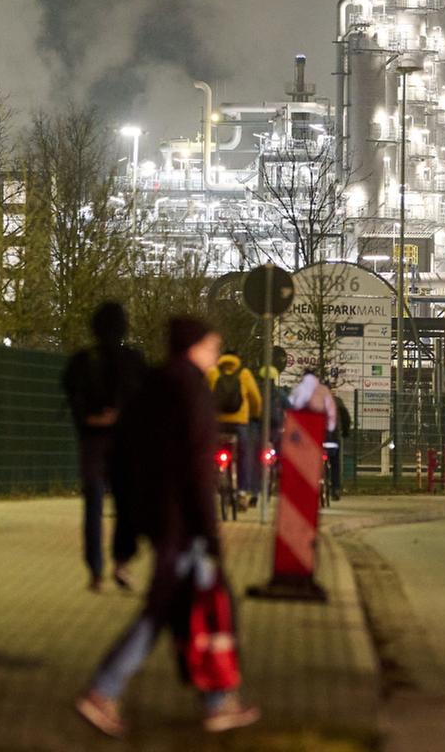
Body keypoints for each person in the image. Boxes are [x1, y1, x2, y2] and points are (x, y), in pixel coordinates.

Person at [76, 317, 259, 737]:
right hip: (183, 524)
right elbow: (196, 469)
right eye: (211, 345)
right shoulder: (191, 390)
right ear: (193, 346)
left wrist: (133, 517)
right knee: (183, 608)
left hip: (160, 516)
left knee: (183, 609)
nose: (216, 353)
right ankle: (104, 691)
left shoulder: (155, 385)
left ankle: (217, 700)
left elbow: (126, 452)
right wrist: (209, 532)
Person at [63, 301, 147, 591]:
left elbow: (70, 395)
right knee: (126, 503)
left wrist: (88, 419)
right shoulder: (133, 360)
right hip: (125, 442)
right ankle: (122, 562)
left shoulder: (81, 360)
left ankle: (95, 571)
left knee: (93, 505)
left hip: (92, 440)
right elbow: (144, 400)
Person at [211, 347, 261, 509]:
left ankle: (211, 487)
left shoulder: (213, 373)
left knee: (209, 453)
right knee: (243, 456)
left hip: (217, 423)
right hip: (239, 424)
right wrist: (255, 415)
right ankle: (241, 492)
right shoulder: (244, 374)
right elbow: (255, 399)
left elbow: (202, 396)